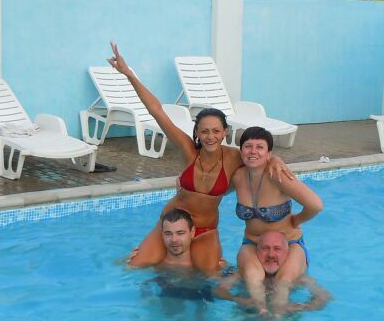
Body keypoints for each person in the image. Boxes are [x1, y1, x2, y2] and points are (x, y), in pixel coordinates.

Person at [108, 43, 290, 272]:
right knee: (134, 266)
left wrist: (276, 159)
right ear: (197, 133)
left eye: (216, 131)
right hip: (172, 225)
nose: (210, 137)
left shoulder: (235, 157)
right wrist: (128, 74)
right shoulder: (189, 151)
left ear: (224, 132)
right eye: (204, 131)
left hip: (205, 231)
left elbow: (259, 156)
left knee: (210, 276)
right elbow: (157, 111)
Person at [232, 127, 323, 305]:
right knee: (252, 282)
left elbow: (315, 205)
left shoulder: (277, 175)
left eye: (260, 147)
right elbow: (213, 192)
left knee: (283, 285)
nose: (253, 151)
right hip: (252, 244)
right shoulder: (237, 177)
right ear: (241, 151)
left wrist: (296, 220)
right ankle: (260, 314)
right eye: (248, 146)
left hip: (288, 244)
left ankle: (278, 317)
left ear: (269, 154)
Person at [216, 230, 332, 316]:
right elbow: (218, 291)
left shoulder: (298, 277)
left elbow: (324, 297)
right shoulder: (242, 274)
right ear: (257, 251)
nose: (271, 254)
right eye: (265, 248)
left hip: (286, 317)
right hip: (249, 314)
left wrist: (299, 307)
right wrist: (241, 300)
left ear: (287, 253)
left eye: (277, 249)